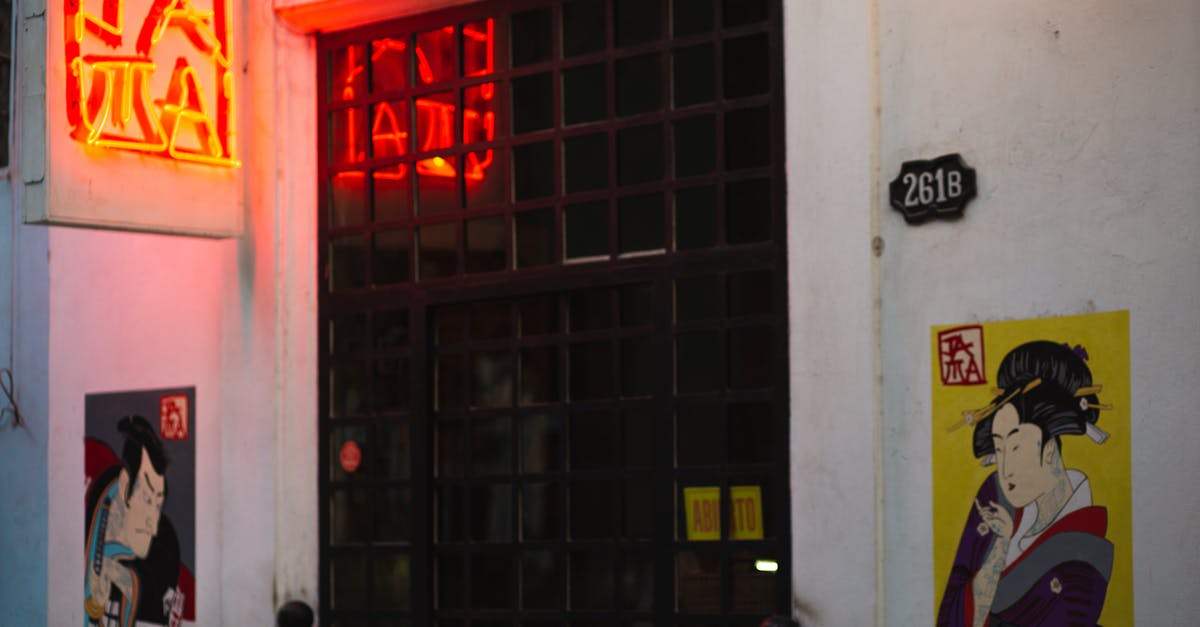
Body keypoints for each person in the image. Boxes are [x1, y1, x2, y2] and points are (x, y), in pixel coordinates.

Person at [937, 341, 1114, 626]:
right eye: (999, 450)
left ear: (1048, 450)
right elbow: (950, 616)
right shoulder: (994, 496)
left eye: (1016, 448)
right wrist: (1001, 544)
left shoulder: (1085, 548)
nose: (1004, 469)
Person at [85, 415, 181, 627]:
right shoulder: (98, 503)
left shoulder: (165, 548)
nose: (152, 526)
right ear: (125, 485)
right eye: (147, 499)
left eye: (158, 505)